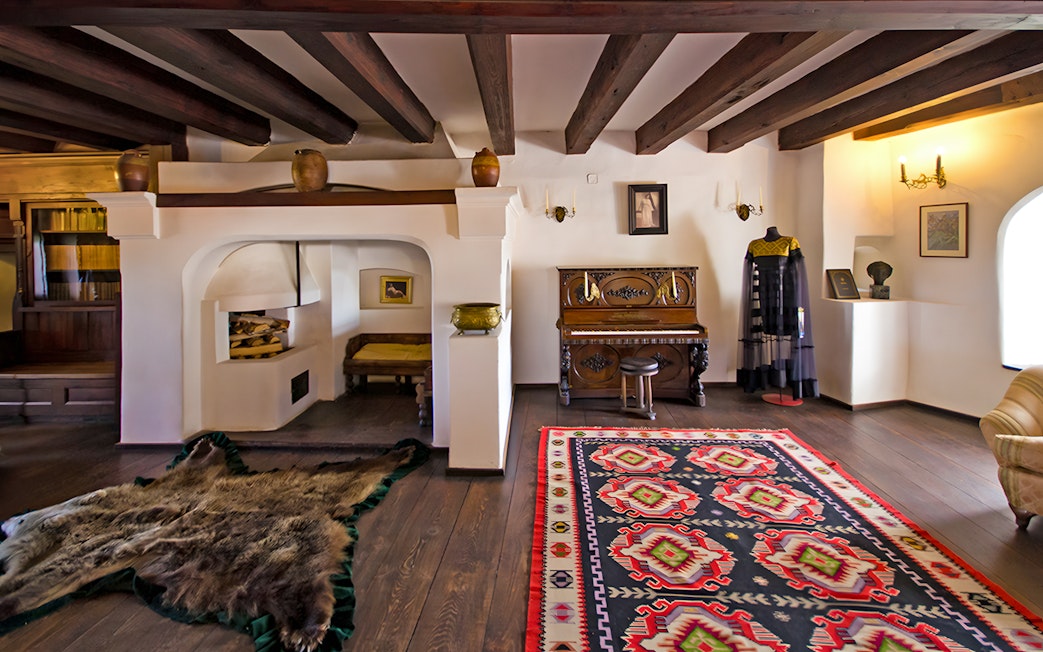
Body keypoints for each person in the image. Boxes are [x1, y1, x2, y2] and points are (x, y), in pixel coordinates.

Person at [737, 226, 819, 400]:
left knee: (792, 338)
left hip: (789, 301)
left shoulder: (790, 242)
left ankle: (795, 385)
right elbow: (750, 275)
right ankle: (764, 382)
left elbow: (798, 273)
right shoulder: (754, 245)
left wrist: (799, 302)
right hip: (766, 303)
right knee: (768, 336)